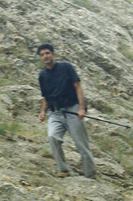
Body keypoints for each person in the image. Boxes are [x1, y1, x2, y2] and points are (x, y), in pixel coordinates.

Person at [36, 44, 96, 179]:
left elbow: (78, 87)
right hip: (55, 112)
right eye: (42, 54)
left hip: (72, 109)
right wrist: (43, 112)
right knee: (52, 137)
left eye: (47, 53)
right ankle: (62, 169)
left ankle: (90, 175)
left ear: (53, 54)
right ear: (40, 58)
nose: (45, 56)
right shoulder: (42, 75)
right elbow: (45, 96)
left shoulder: (66, 67)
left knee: (81, 143)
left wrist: (82, 108)